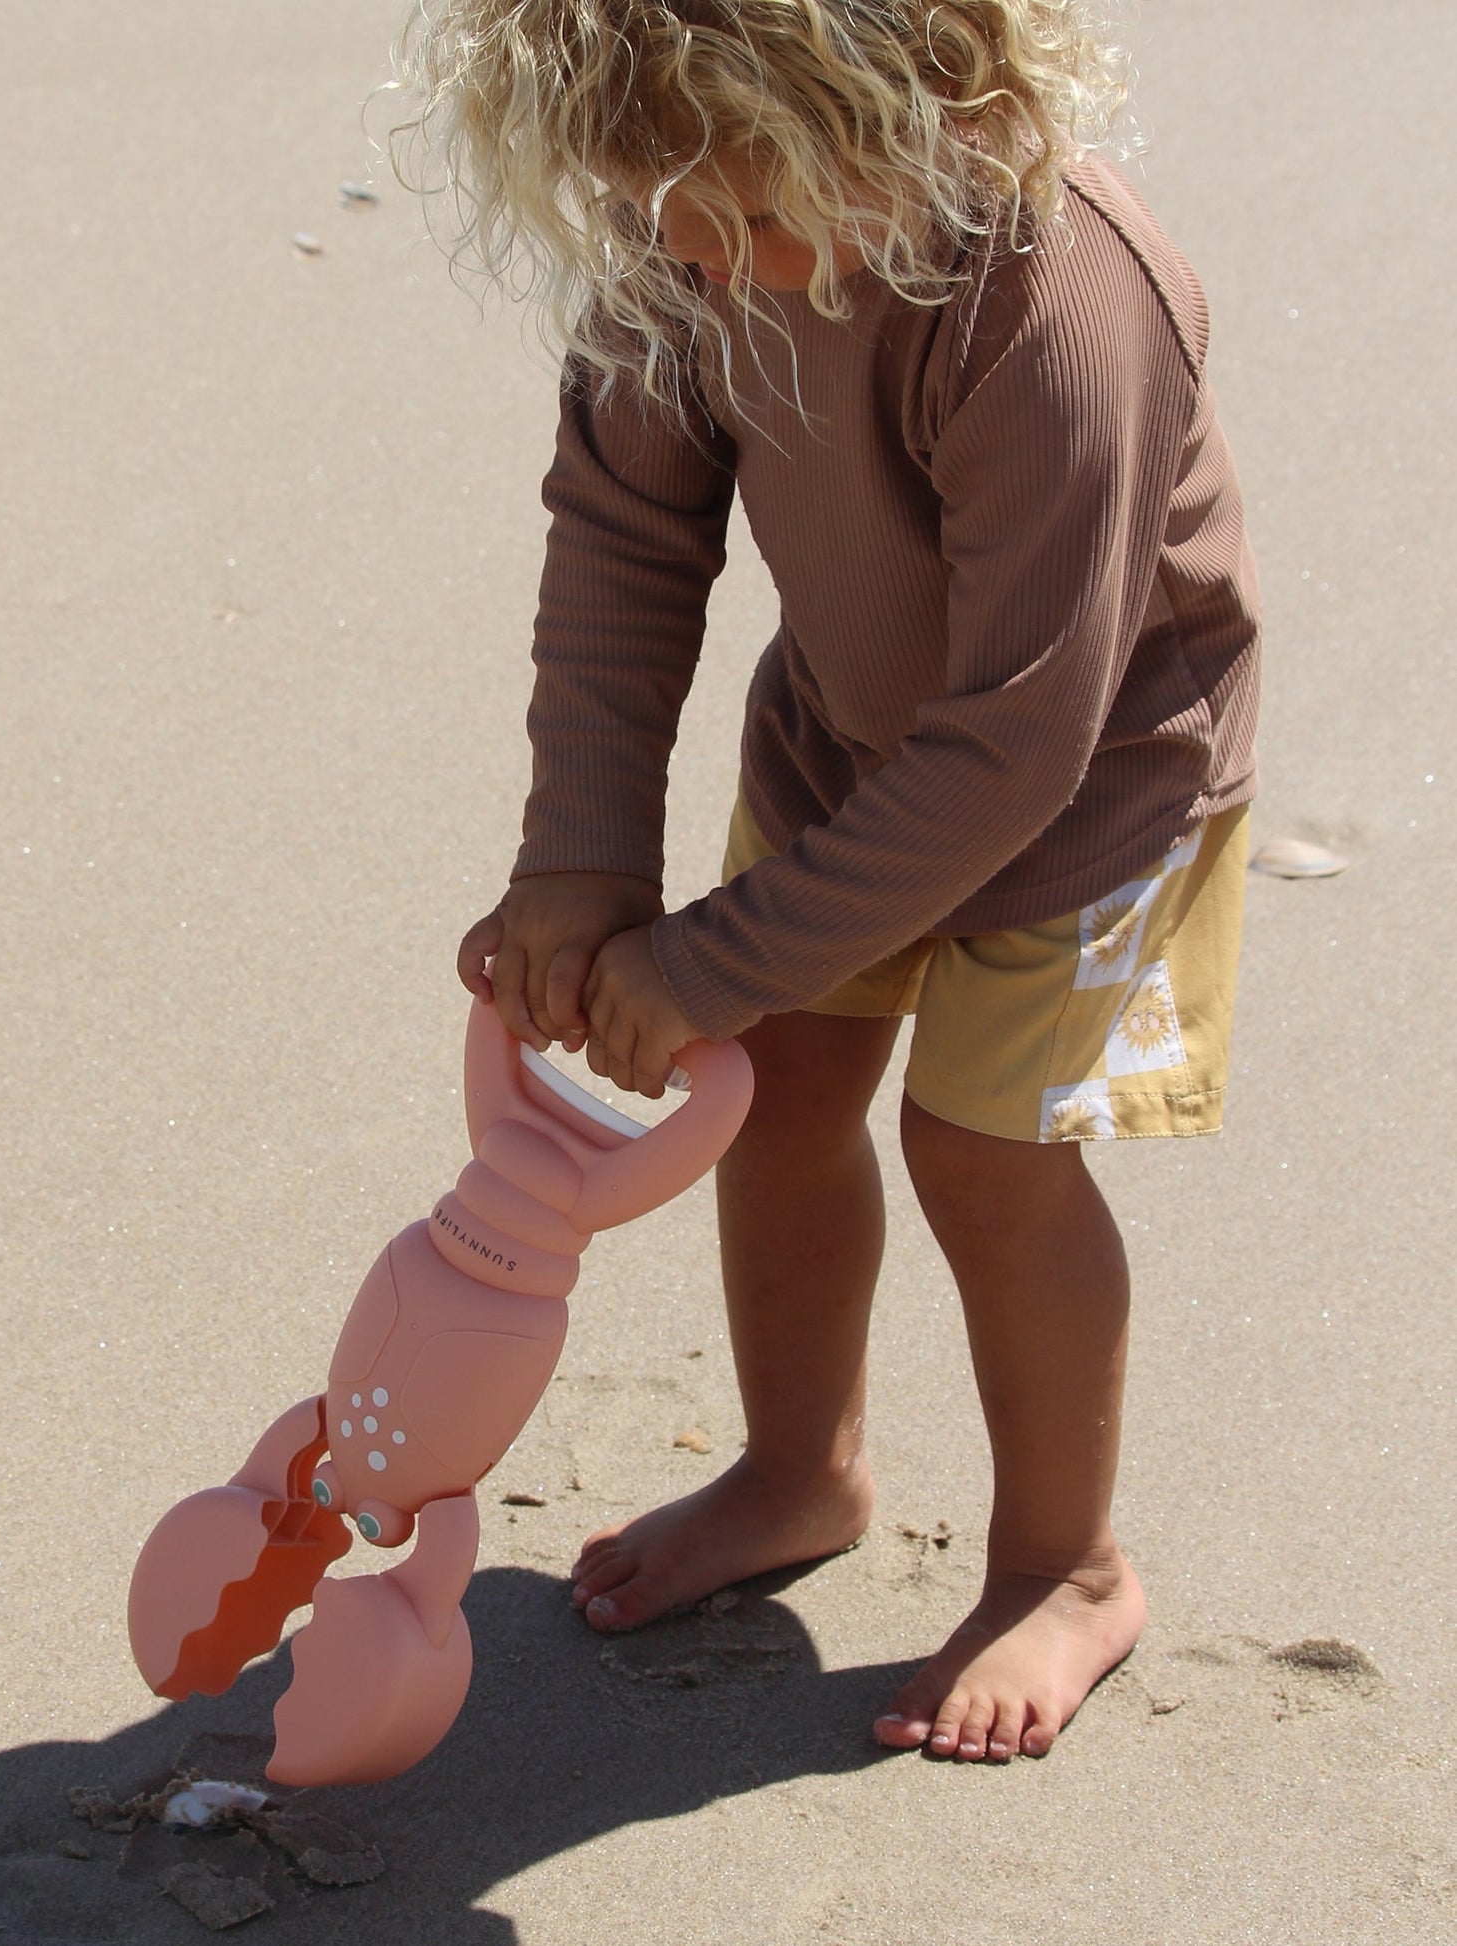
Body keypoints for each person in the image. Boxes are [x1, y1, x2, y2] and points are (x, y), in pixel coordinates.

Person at [404, 0, 1262, 1763]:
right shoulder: (694, 227)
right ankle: (802, 1468)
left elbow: (1019, 739)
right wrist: (579, 861)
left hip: (1097, 776)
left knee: (982, 1149)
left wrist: (714, 952)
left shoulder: (1058, 305)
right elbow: (629, 538)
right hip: (847, 735)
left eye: (750, 217)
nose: (710, 256)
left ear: (929, 102)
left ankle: (1062, 1562)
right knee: (778, 1086)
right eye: (666, 215)